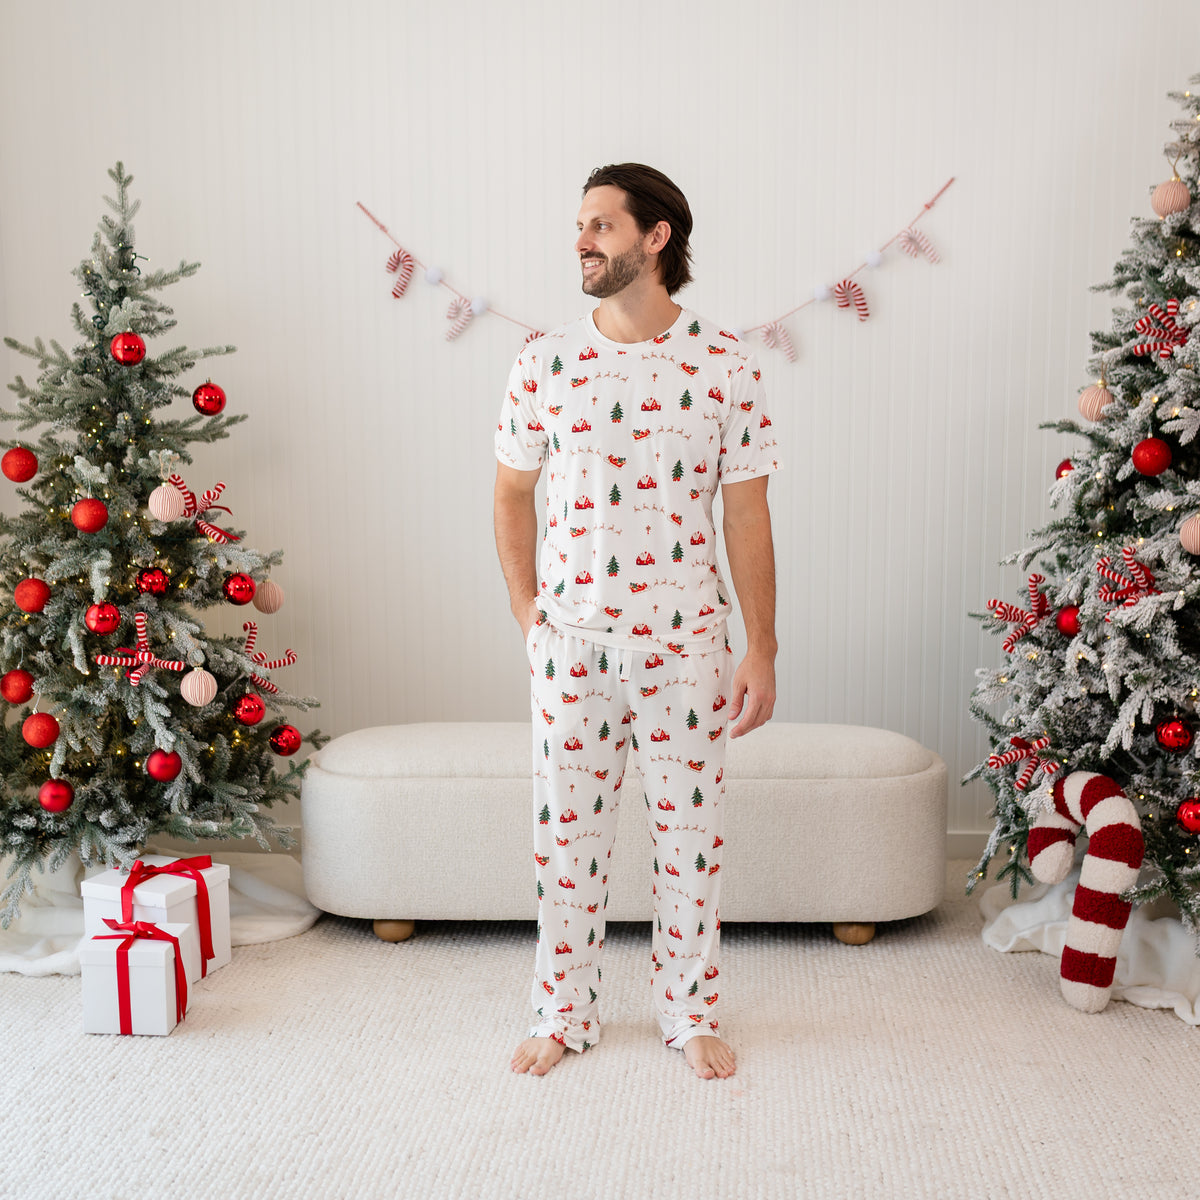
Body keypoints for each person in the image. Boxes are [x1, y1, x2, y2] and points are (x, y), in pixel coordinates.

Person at [493, 163, 779, 1080]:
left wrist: (760, 647)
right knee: (565, 839)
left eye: (602, 225)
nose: (582, 240)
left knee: (688, 842)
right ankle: (561, 1011)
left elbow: (746, 514)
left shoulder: (726, 363)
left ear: (656, 238)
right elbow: (510, 494)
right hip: (572, 643)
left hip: (689, 644)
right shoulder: (544, 362)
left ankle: (690, 1012)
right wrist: (529, 615)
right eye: (579, 224)